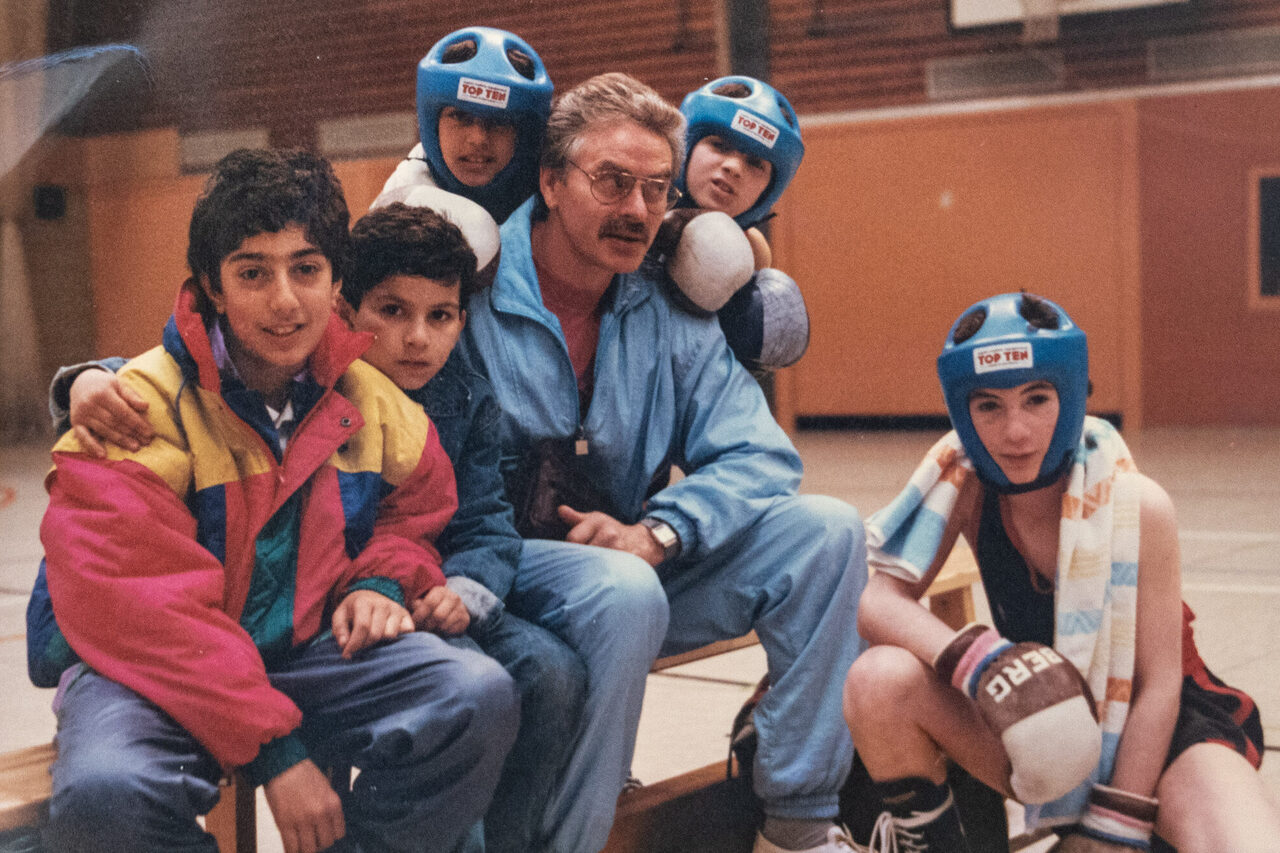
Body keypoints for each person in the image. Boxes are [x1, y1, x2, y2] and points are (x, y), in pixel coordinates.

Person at [37, 202, 589, 853]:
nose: (284, 299)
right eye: (253, 273)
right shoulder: (130, 404)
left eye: (305, 270)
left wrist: (383, 580)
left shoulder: (378, 396)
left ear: (333, 287)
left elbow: (421, 514)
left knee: (482, 691)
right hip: (155, 664)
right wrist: (277, 751)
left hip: (307, 643)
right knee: (105, 792)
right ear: (214, 284)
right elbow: (138, 607)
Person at [462, 71, 867, 853]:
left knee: (827, 532)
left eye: (655, 188)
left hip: (630, 575)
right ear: (550, 181)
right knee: (622, 591)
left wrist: (660, 532)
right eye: (612, 182)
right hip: (495, 575)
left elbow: (760, 455)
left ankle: (797, 824)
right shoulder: (472, 283)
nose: (638, 210)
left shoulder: (668, 302)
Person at [844, 292, 1280, 851]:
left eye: (1036, 399)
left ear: (1070, 395)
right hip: (1039, 719)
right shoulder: (966, 484)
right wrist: (984, 663)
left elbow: (1159, 687)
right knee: (878, 678)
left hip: (1164, 728)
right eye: (989, 406)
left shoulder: (1139, 502)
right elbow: (879, 601)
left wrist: (1111, 830)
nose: (1015, 431)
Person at [662, 75, 811, 375]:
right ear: (686, 147)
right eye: (719, 145)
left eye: (755, 163)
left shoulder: (752, 251)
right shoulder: (632, 215)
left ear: (768, 191)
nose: (733, 167)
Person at [374, 25, 552, 231]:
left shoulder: (553, 190)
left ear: (523, 133)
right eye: (460, 116)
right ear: (432, 123)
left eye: (500, 121)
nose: (478, 139)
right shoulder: (402, 199)